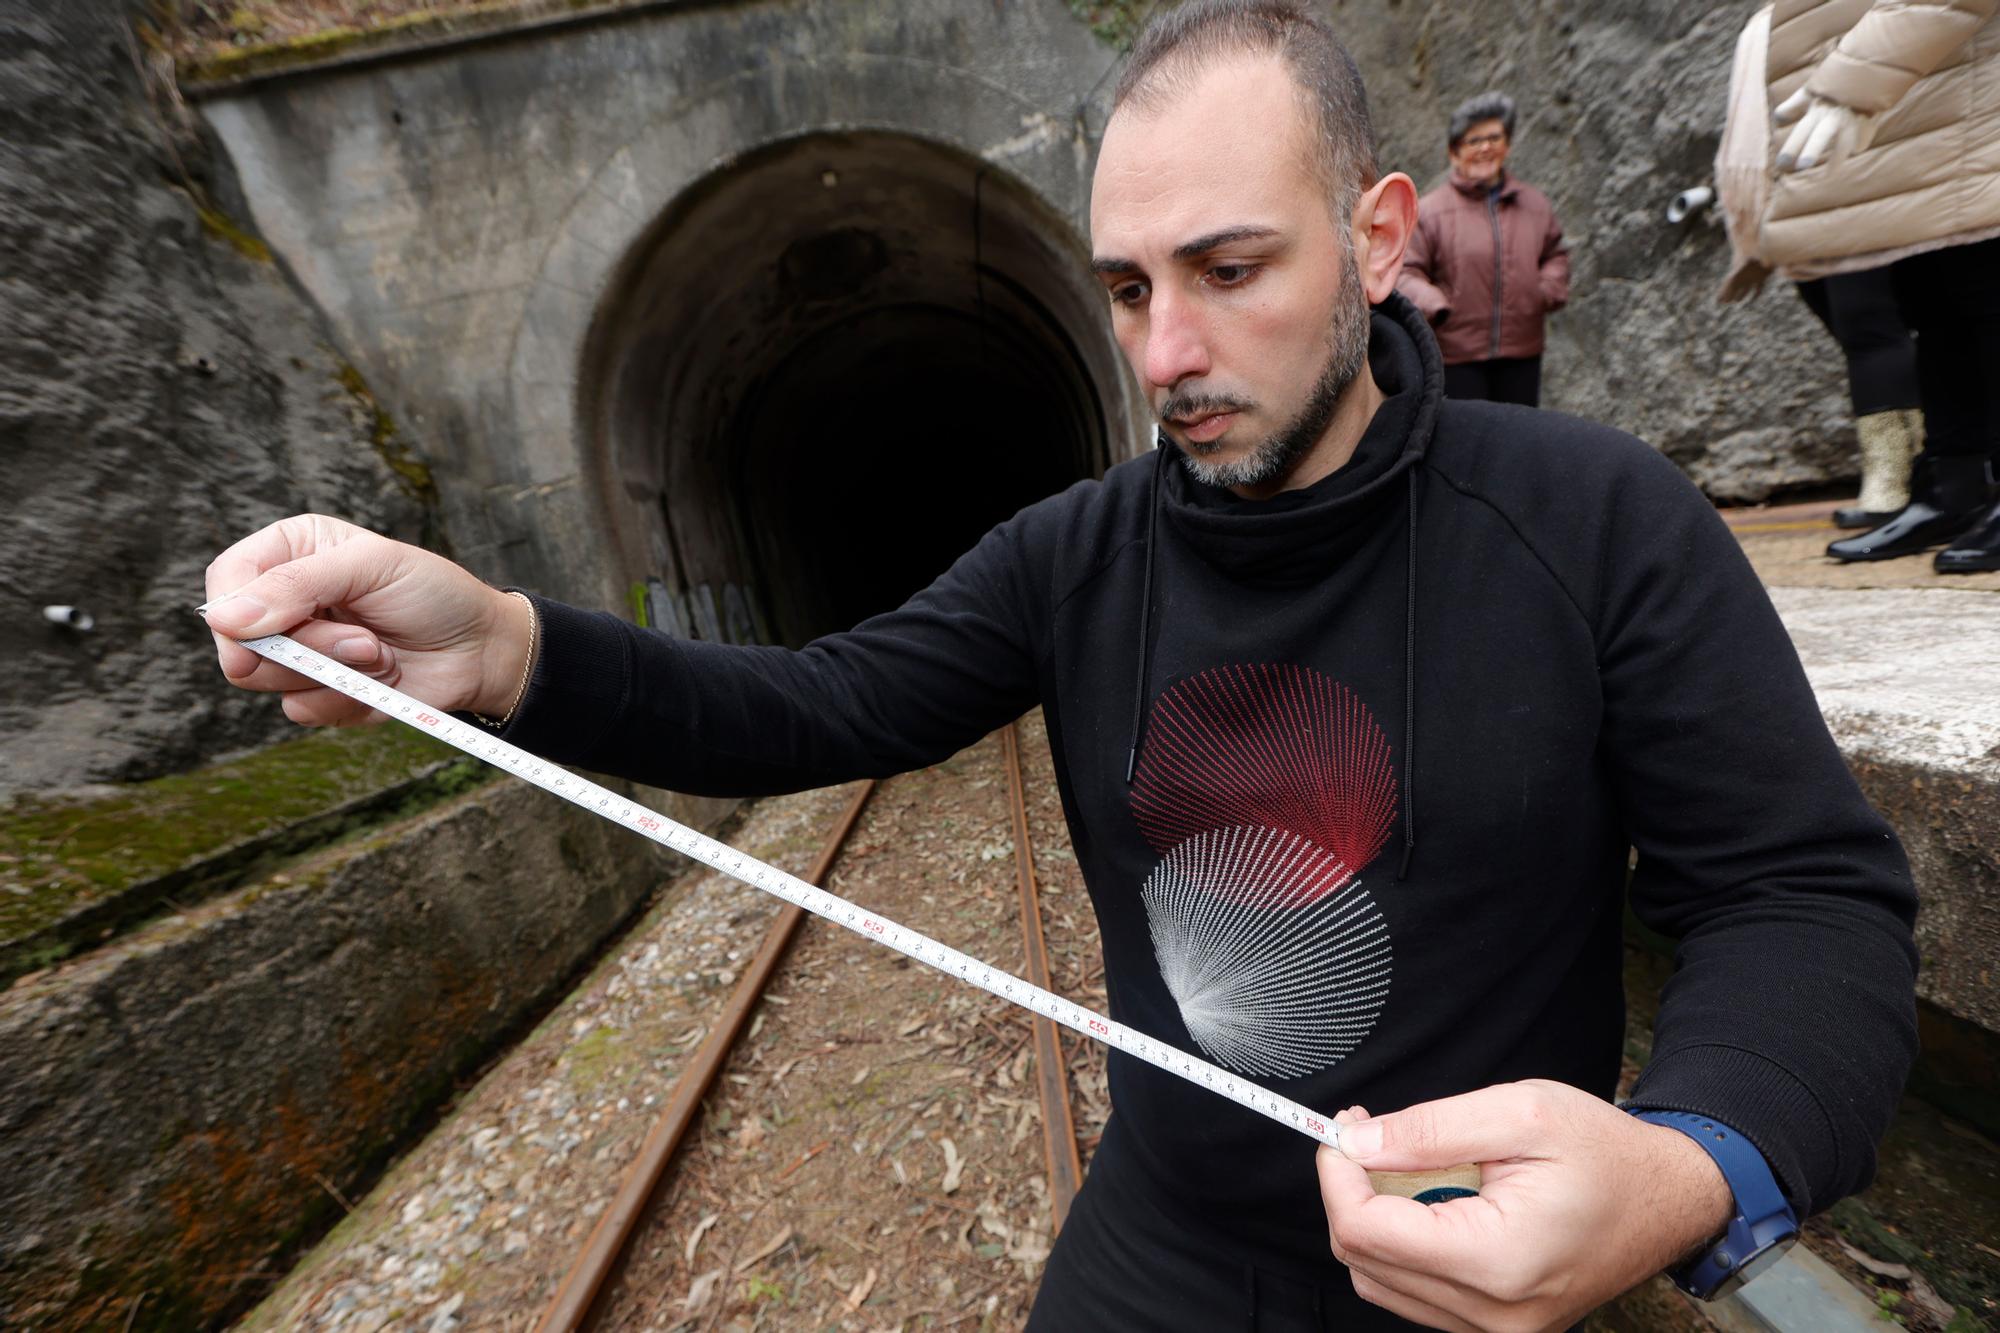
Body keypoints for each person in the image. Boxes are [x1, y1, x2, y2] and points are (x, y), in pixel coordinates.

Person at [202, 3, 1918, 1328]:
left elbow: (1800, 895)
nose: (1170, 350)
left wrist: (1689, 1166)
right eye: (1122, 287)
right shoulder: (1071, 553)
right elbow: (812, 704)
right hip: (1158, 1247)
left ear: (1381, 237)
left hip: (1475, 1277)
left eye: (1233, 270)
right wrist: (503, 643)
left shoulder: (1596, 517)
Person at [1749, 0, 2000, 570]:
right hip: (1901, 114)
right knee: (1934, 302)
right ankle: (1952, 487)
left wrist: (1851, 82)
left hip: (1959, 92)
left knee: (1986, 291)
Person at [1713, 5, 1926, 531]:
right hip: (1801, 193)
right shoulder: (1773, 20)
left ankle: (1894, 477)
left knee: (1869, 326)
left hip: (1864, 181)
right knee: (1857, 325)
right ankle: (1933, 459)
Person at [1395, 92, 1569, 407]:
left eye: (1494, 137)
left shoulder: (1535, 205)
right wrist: (1437, 305)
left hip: (1523, 352)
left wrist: (1542, 292)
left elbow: (1555, 254)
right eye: (1474, 140)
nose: (1485, 147)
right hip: (1456, 356)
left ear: (1507, 145)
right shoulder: (1430, 211)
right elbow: (1406, 271)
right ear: (1454, 151)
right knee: (1467, 443)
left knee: (1518, 439)